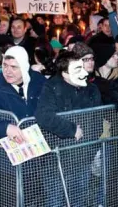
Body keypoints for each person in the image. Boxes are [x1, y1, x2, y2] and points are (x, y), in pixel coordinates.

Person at [36, 50, 102, 207]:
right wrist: (71, 129)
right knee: (56, 202)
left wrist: (91, 148)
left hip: (83, 157)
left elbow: (98, 119)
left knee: (78, 200)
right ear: (65, 73)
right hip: (57, 159)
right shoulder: (52, 87)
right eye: (77, 69)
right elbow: (43, 115)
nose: (83, 72)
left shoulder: (91, 89)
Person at [0, 45, 44, 139]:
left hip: (39, 140)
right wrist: (5, 128)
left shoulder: (40, 82)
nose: (8, 71)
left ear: (24, 67)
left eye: (14, 67)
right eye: (5, 65)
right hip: (3, 145)